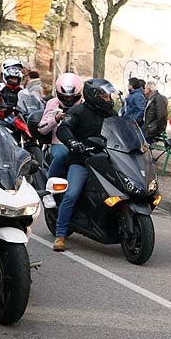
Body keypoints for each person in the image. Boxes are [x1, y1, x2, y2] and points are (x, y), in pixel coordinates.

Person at [52, 78, 118, 252]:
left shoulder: (113, 115)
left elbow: (122, 133)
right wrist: (73, 142)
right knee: (72, 194)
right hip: (82, 161)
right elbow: (63, 129)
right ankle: (60, 234)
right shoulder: (78, 111)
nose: (108, 98)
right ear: (94, 95)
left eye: (109, 95)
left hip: (107, 161)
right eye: (104, 95)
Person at [37, 72, 84, 181]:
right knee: (60, 155)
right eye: (65, 98)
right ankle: (49, 186)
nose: (68, 100)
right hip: (59, 143)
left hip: (81, 142)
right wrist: (55, 119)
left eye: (72, 98)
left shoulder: (84, 104)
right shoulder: (53, 104)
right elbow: (41, 128)